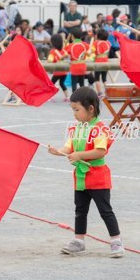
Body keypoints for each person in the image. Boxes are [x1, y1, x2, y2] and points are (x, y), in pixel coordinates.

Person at [47, 87, 124, 258]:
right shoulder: (76, 129)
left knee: (105, 210)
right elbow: (69, 148)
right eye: (73, 110)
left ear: (90, 109)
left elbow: (100, 151)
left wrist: (79, 155)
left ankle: (116, 241)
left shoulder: (100, 129)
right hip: (81, 177)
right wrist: (58, 151)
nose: (74, 114)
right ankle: (79, 240)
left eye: (77, 110)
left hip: (98, 176)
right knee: (80, 210)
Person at [48, 33, 69, 101]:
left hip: (57, 72)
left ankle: (50, 97)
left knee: (51, 84)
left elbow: (50, 60)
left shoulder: (53, 52)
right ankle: (67, 96)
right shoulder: (64, 51)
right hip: (64, 71)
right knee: (62, 84)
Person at [92, 29, 111, 97]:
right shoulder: (108, 42)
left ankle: (100, 92)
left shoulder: (96, 43)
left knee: (97, 78)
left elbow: (92, 51)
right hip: (105, 61)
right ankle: (107, 91)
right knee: (104, 78)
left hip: (98, 62)